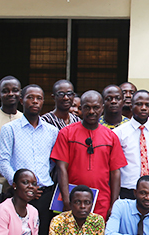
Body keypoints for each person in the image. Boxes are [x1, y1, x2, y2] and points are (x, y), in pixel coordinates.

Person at [0, 84, 58, 235]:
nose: (35, 101)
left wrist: (39, 184)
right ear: (21, 100)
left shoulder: (52, 131)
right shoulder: (10, 129)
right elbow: (3, 162)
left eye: (39, 98)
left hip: (44, 193)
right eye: (30, 97)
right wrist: (21, 186)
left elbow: (52, 163)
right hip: (19, 195)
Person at [51, 90, 126, 222]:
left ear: (102, 108)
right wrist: (66, 200)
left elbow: (115, 172)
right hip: (73, 200)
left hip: (102, 201)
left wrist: (113, 204)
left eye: (96, 107)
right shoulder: (66, 133)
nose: (91, 112)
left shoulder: (111, 136)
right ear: (80, 108)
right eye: (87, 107)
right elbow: (61, 168)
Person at [114, 90, 149, 208]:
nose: (144, 108)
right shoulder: (119, 133)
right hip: (127, 191)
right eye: (139, 104)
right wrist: (116, 196)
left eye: (148, 105)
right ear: (131, 106)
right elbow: (115, 168)